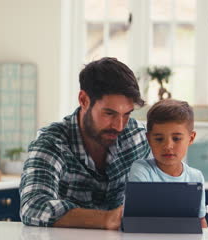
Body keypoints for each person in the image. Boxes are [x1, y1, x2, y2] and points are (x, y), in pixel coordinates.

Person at [19, 57, 151, 229]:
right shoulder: (52, 143)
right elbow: (33, 206)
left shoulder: (138, 137)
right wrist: (105, 219)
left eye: (127, 114)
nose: (119, 126)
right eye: (109, 113)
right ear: (83, 100)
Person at [128, 99, 208, 228]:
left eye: (176, 139)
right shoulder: (141, 170)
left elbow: (200, 221)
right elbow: (139, 219)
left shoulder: (196, 177)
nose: (168, 146)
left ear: (191, 138)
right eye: (159, 139)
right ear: (148, 139)